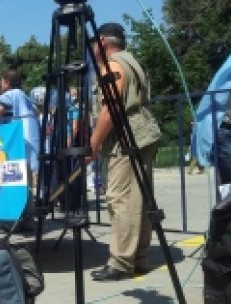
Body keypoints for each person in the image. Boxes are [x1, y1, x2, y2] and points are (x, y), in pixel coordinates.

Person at [88, 23, 161, 281]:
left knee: (120, 198)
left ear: (103, 42)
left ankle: (121, 262)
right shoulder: (132, 62)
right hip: (143, 133)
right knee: (139, 198)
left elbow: (111, 108)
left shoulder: (113, 65)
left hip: (127, 137)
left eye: (94, 43)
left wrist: (93, 145)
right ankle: (138, 257)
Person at [0, 69, 40, 228]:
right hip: (29, 145)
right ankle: (28, 220)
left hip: (13, 145)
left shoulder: (9, 96)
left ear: (6, 82)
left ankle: (11, 222)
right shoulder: (26, 98)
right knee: (26, 185)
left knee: (11, 182)